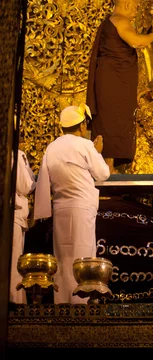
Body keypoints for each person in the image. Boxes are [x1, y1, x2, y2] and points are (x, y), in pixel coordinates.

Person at [33, 103, 110, 304]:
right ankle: (81, 306)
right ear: (82, 125)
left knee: (63, 257)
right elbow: (103, 174)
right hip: (82, 208)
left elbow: (43, 181)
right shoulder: (85, 145)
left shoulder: (52, 147)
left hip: (60, 208)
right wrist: (97, 151)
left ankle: (63, 303)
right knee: (82, 256)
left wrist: (40, 211)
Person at [86, 0, 153, 172]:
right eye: (135, 8)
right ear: (126, 5)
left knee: (112, 118)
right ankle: (107, 165)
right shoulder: (120, 21)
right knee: (112, 119)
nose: (136, 12)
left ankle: (108, 164)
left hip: (113, 78)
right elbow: (136, 42)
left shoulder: (111, 22)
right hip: (113, 80)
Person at [9, 148, 36, 304]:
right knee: (13, 264)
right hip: (13, 215)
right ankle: (14, 303)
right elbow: (25, 185)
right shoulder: (15, 154)